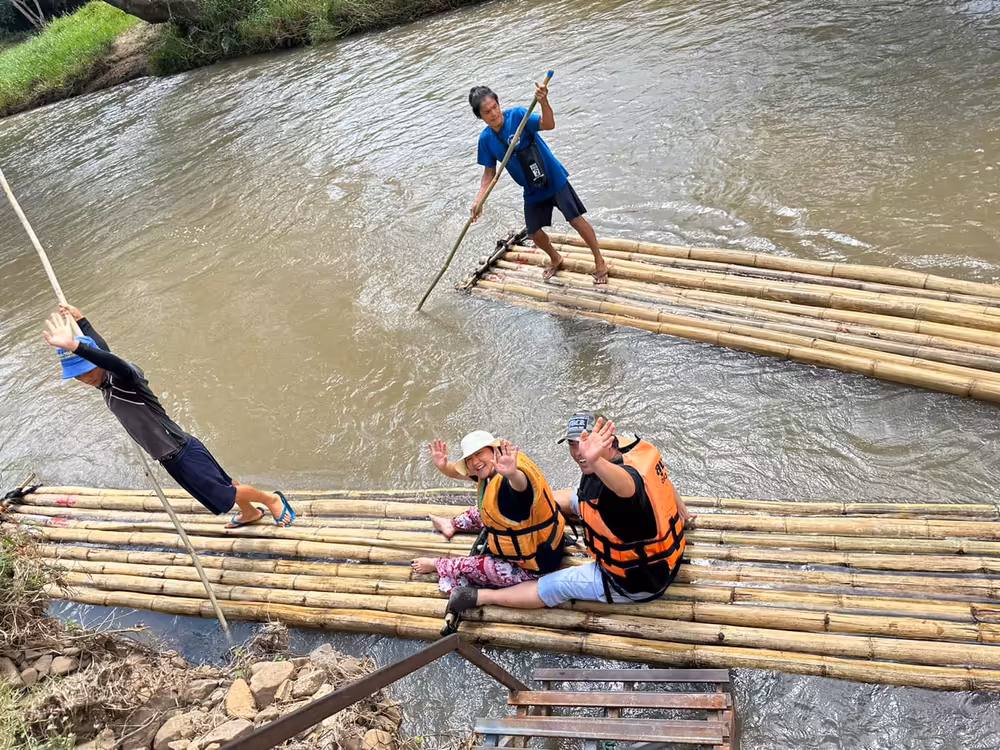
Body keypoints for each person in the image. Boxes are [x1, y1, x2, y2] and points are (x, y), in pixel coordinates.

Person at [42, 306, 295, 530]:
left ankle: (271, 499)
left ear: (98, 365)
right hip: (170, 456)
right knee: (224, 485)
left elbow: (112, 360)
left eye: (85, 371)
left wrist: (75, 346)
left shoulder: (124, 379)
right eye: (77, 376)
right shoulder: (104, 384)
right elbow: (104, 351)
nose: (84, 379)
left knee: (224, 494)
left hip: (180, 450)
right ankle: (250, 512)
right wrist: (82, 321)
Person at [444, 413, 690, 615]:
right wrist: (682, 511)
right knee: (574, 496)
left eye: (586, 442)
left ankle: (481, 596)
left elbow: (628, 488)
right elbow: (660, 481)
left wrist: (596, 462)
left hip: (635, 581)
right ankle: (535, 508)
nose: (579, 451)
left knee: (553, 587)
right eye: (573, 443)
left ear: (607, 438)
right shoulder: (632, 450)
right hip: (668, 559)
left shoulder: (618, 486)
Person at [469, 81, 610, 285]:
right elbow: (489, 173)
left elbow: (548, 124)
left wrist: (544, 101)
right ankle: (555, 258)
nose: (493, 113)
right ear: (480, 117)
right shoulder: (486, 140)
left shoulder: (518, 116)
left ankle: (599, 260)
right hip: (531, 186)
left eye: (495, 107)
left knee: (575, 219)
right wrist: (479, 200)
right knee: (534, 232)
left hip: (553, 177)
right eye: (487, 112)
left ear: (499, 104)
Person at [411, 430, 566, 593]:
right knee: (484, 509)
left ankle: (436, 564)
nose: (475, 462)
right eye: (469, 459)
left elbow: (521, 487)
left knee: (473, 566)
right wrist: (442, 466)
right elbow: (456, 472)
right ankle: (451, 524)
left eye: (479, 454)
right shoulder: (488, 473)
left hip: (537, 564)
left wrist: (512, 474)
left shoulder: (510, 481)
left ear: (494, 451)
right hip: (548, 541)